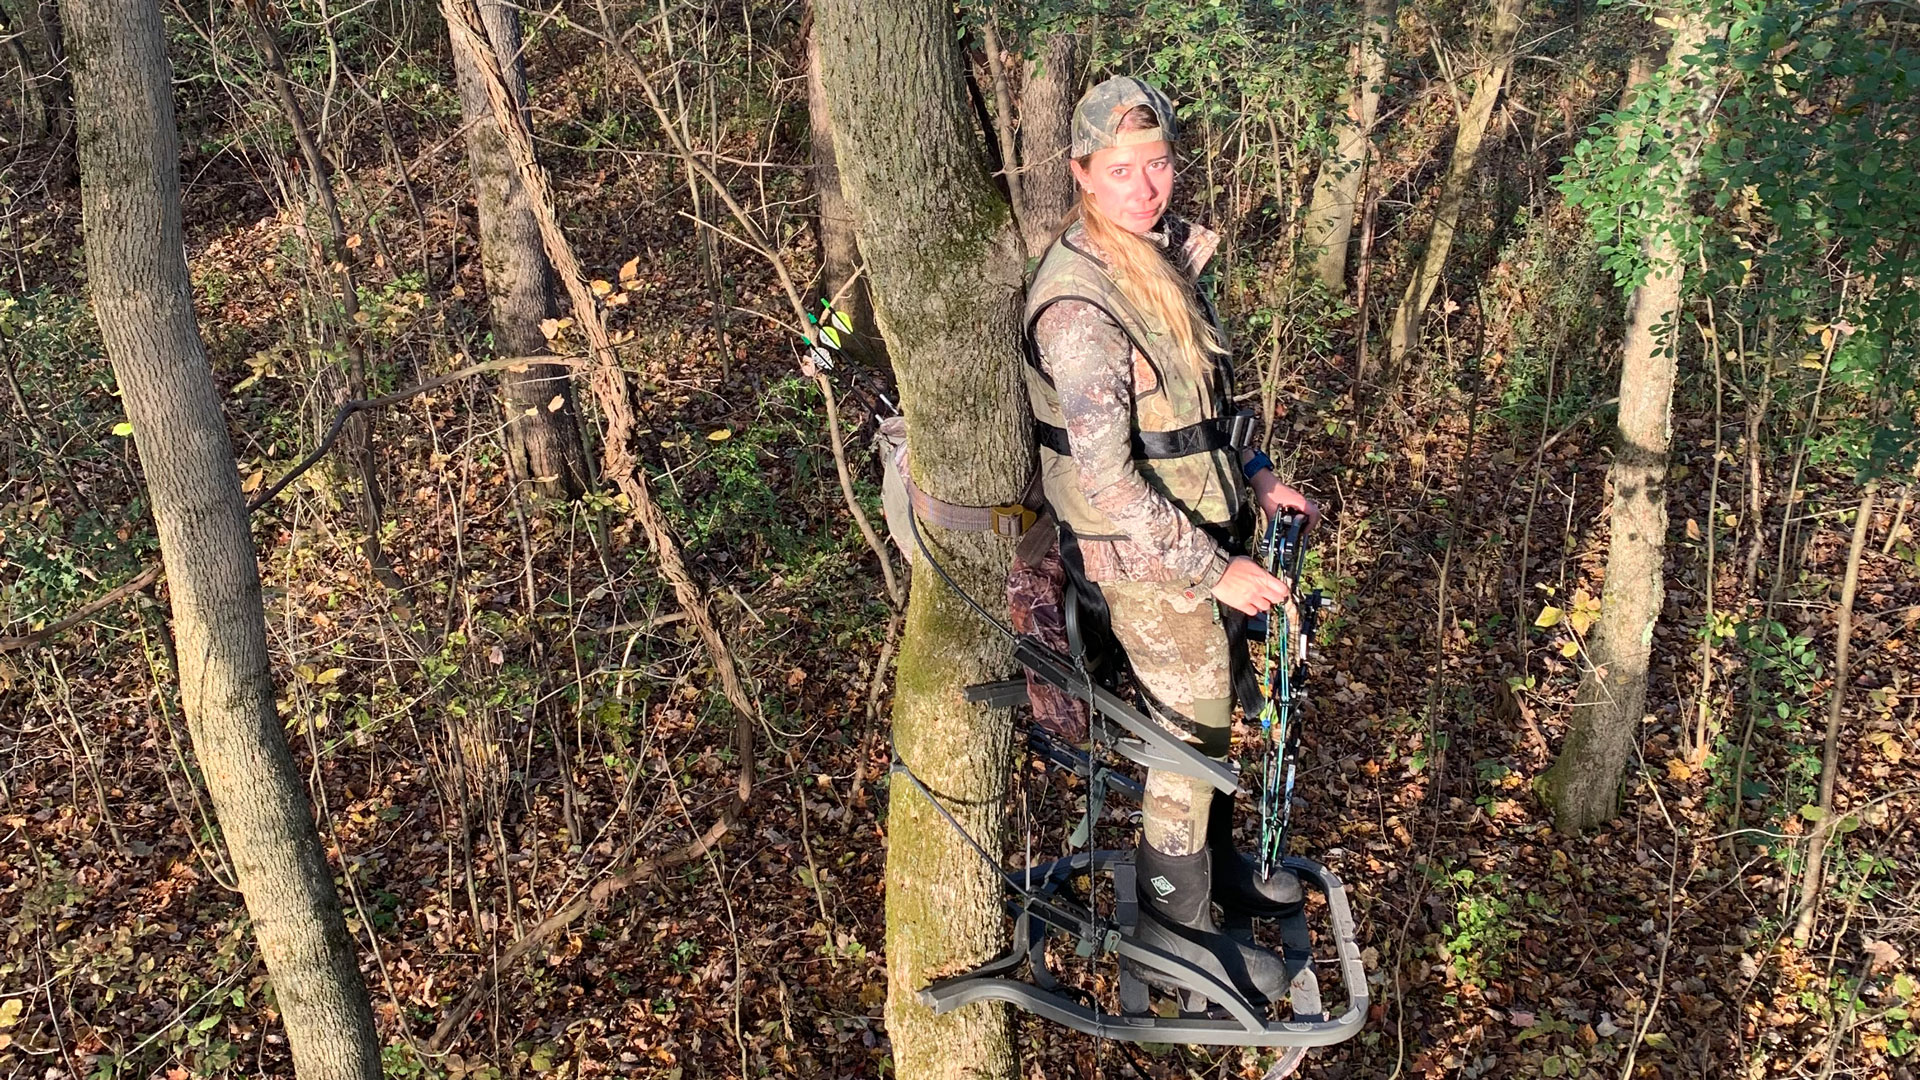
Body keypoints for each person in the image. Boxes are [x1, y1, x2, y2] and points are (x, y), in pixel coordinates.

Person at [1024, 75, 1321, 1008]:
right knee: (1185, 736)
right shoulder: (1080, 304)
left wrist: (1262, 473)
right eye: (1121, 170)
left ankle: (1213, 874)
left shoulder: (1165, 261)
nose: (1145, 186)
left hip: (1207, 532)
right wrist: (1213, 569)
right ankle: (1174, 932)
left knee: (1212, 712)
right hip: (1142, 559)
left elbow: (1204, 411)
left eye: (1157, 165)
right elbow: (1109, 479)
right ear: (1082, 174)